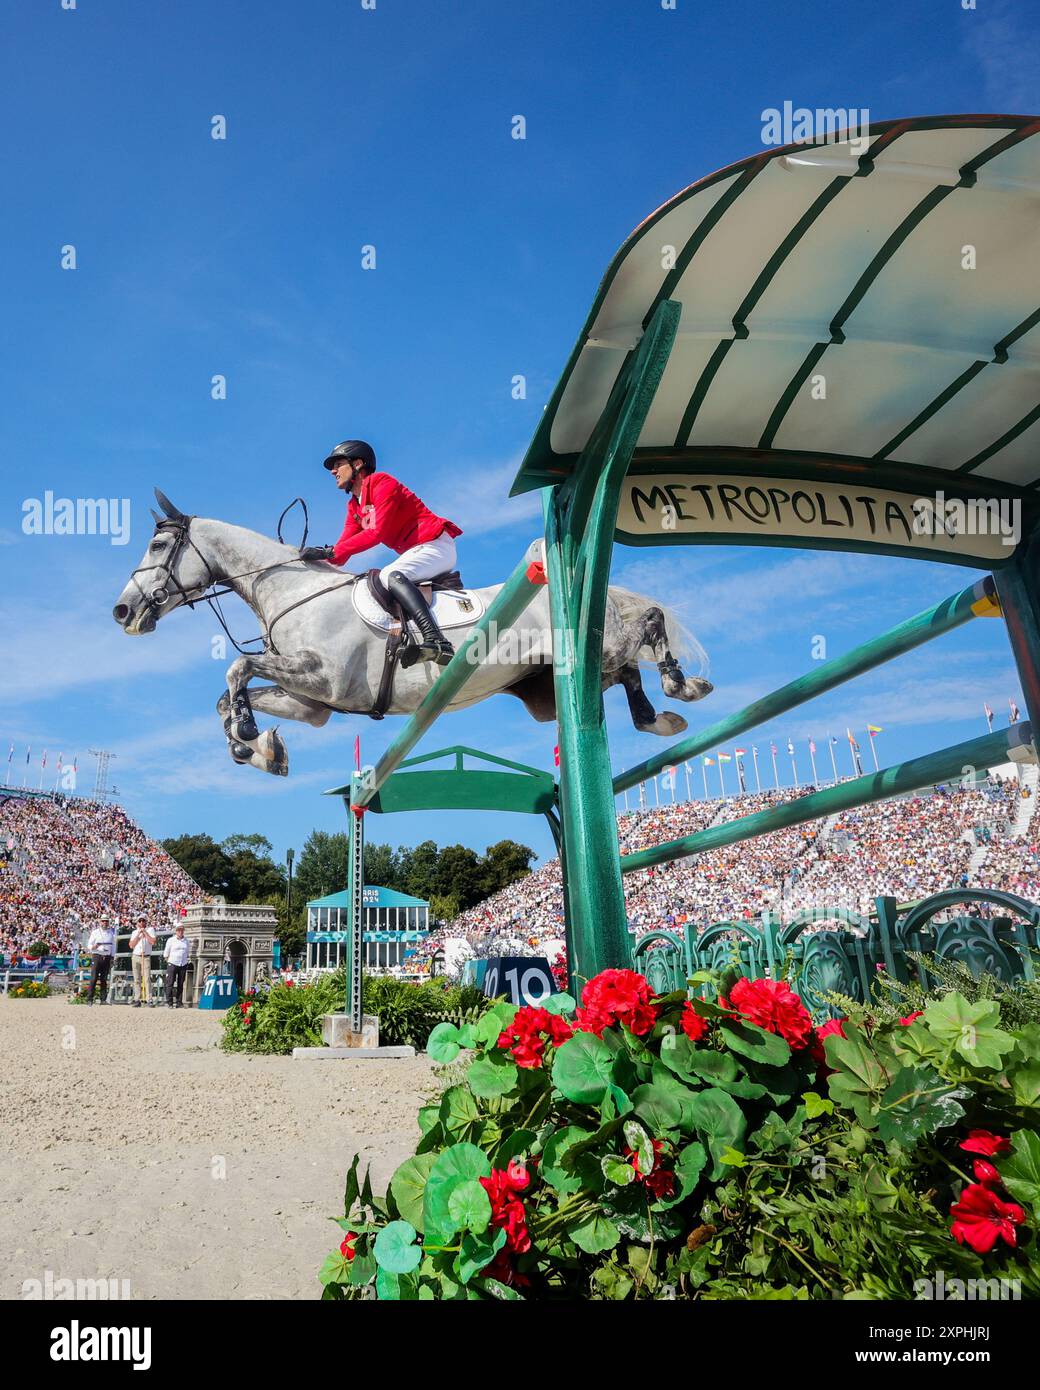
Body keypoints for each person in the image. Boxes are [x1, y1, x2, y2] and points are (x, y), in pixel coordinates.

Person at [299, 440, 462, 666]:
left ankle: (436, 640)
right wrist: (311, 560)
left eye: (338, 464)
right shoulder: (354, 507)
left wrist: (329, 551)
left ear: (358, 463)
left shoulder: (381, 482)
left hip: (435, 545)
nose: (333, 471)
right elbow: (341, 552)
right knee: (380, 578)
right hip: (417, 551)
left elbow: (376, 532)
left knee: (389, 575)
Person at [85, 914, 116, 1005]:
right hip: (97, 956)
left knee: (104, 979)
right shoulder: (95, 932)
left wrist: (112, 957)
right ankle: (90, 999)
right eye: (103, 921)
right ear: (100, 922)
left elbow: (113, 946)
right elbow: (89, 945)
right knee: (93, 978)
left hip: (107, 957)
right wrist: (94, 947)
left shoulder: (111, 933)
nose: (105, 922)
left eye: (106, 921)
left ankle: (103, 999)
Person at [129, 916, 156, 1008]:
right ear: (137, 923)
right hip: (136, 956)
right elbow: (131, 945)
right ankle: (137, 999)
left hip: (146, 957)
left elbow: (152, 942)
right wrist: (138, 935)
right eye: (140, 921)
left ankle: (149, 999)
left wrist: (145, 932)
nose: (141, 922)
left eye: (143, 921)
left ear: (145, 922)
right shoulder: (134, 932)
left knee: (147, 978)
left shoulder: (151, 930)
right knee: (136, 979)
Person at [163, 923, 191, 1008]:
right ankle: (169, 1002)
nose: (180, 931)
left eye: (182, 930)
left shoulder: (186, 941)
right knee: (170, 983)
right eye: (179, 930)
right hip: (173, 962)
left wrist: (186, 961)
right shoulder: (171, 940)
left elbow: (187, 952)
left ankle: (179, 1002)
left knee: (181, 983)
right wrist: (169, 962)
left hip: (183, 963)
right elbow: (166, 953)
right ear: (176, 931)